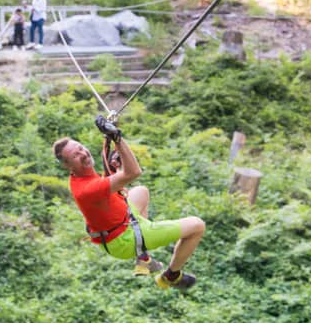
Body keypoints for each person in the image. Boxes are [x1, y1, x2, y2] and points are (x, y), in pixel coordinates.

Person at [52, 116, 205, 290]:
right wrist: (117, 139)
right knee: (197, 226)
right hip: (123, 240)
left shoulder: (81, 176)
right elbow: (133, 172)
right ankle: (171, 276)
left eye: (80, 148)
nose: (83, 154)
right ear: (67, 165)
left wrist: (110, 133)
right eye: (75, 155)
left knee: (141, 191)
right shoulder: (87, 189)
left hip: (119, 222)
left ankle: (143, 256)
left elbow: (109, 182)